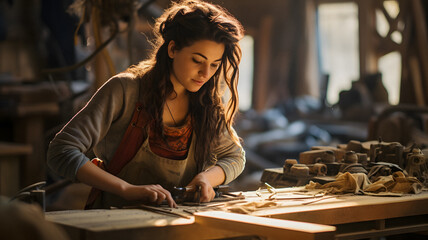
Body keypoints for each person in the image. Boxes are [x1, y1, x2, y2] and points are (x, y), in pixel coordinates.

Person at [47, 0, 245, 209]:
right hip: (116, 220)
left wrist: (207, 178)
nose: (206, 74)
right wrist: (126, 189)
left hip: (179, 223)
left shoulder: (205, 104)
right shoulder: (125, 90)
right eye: (197, 60)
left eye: (214, 64)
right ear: (172, 49)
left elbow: (235, 156)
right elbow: (61, 151)